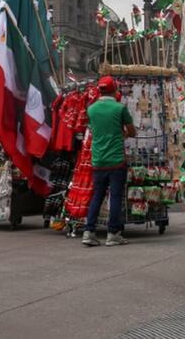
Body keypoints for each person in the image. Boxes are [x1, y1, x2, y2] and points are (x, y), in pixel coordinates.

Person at [82, 76, 136, 247]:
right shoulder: (120, 108)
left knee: (97, 195)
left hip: (98, 160)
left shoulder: (91, 109)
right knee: (116, 196)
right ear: (114, 90)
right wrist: (124, 134)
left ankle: (88, 232)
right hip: (116, 160)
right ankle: (113, 233)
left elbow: (93, 129)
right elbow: (132, 131)